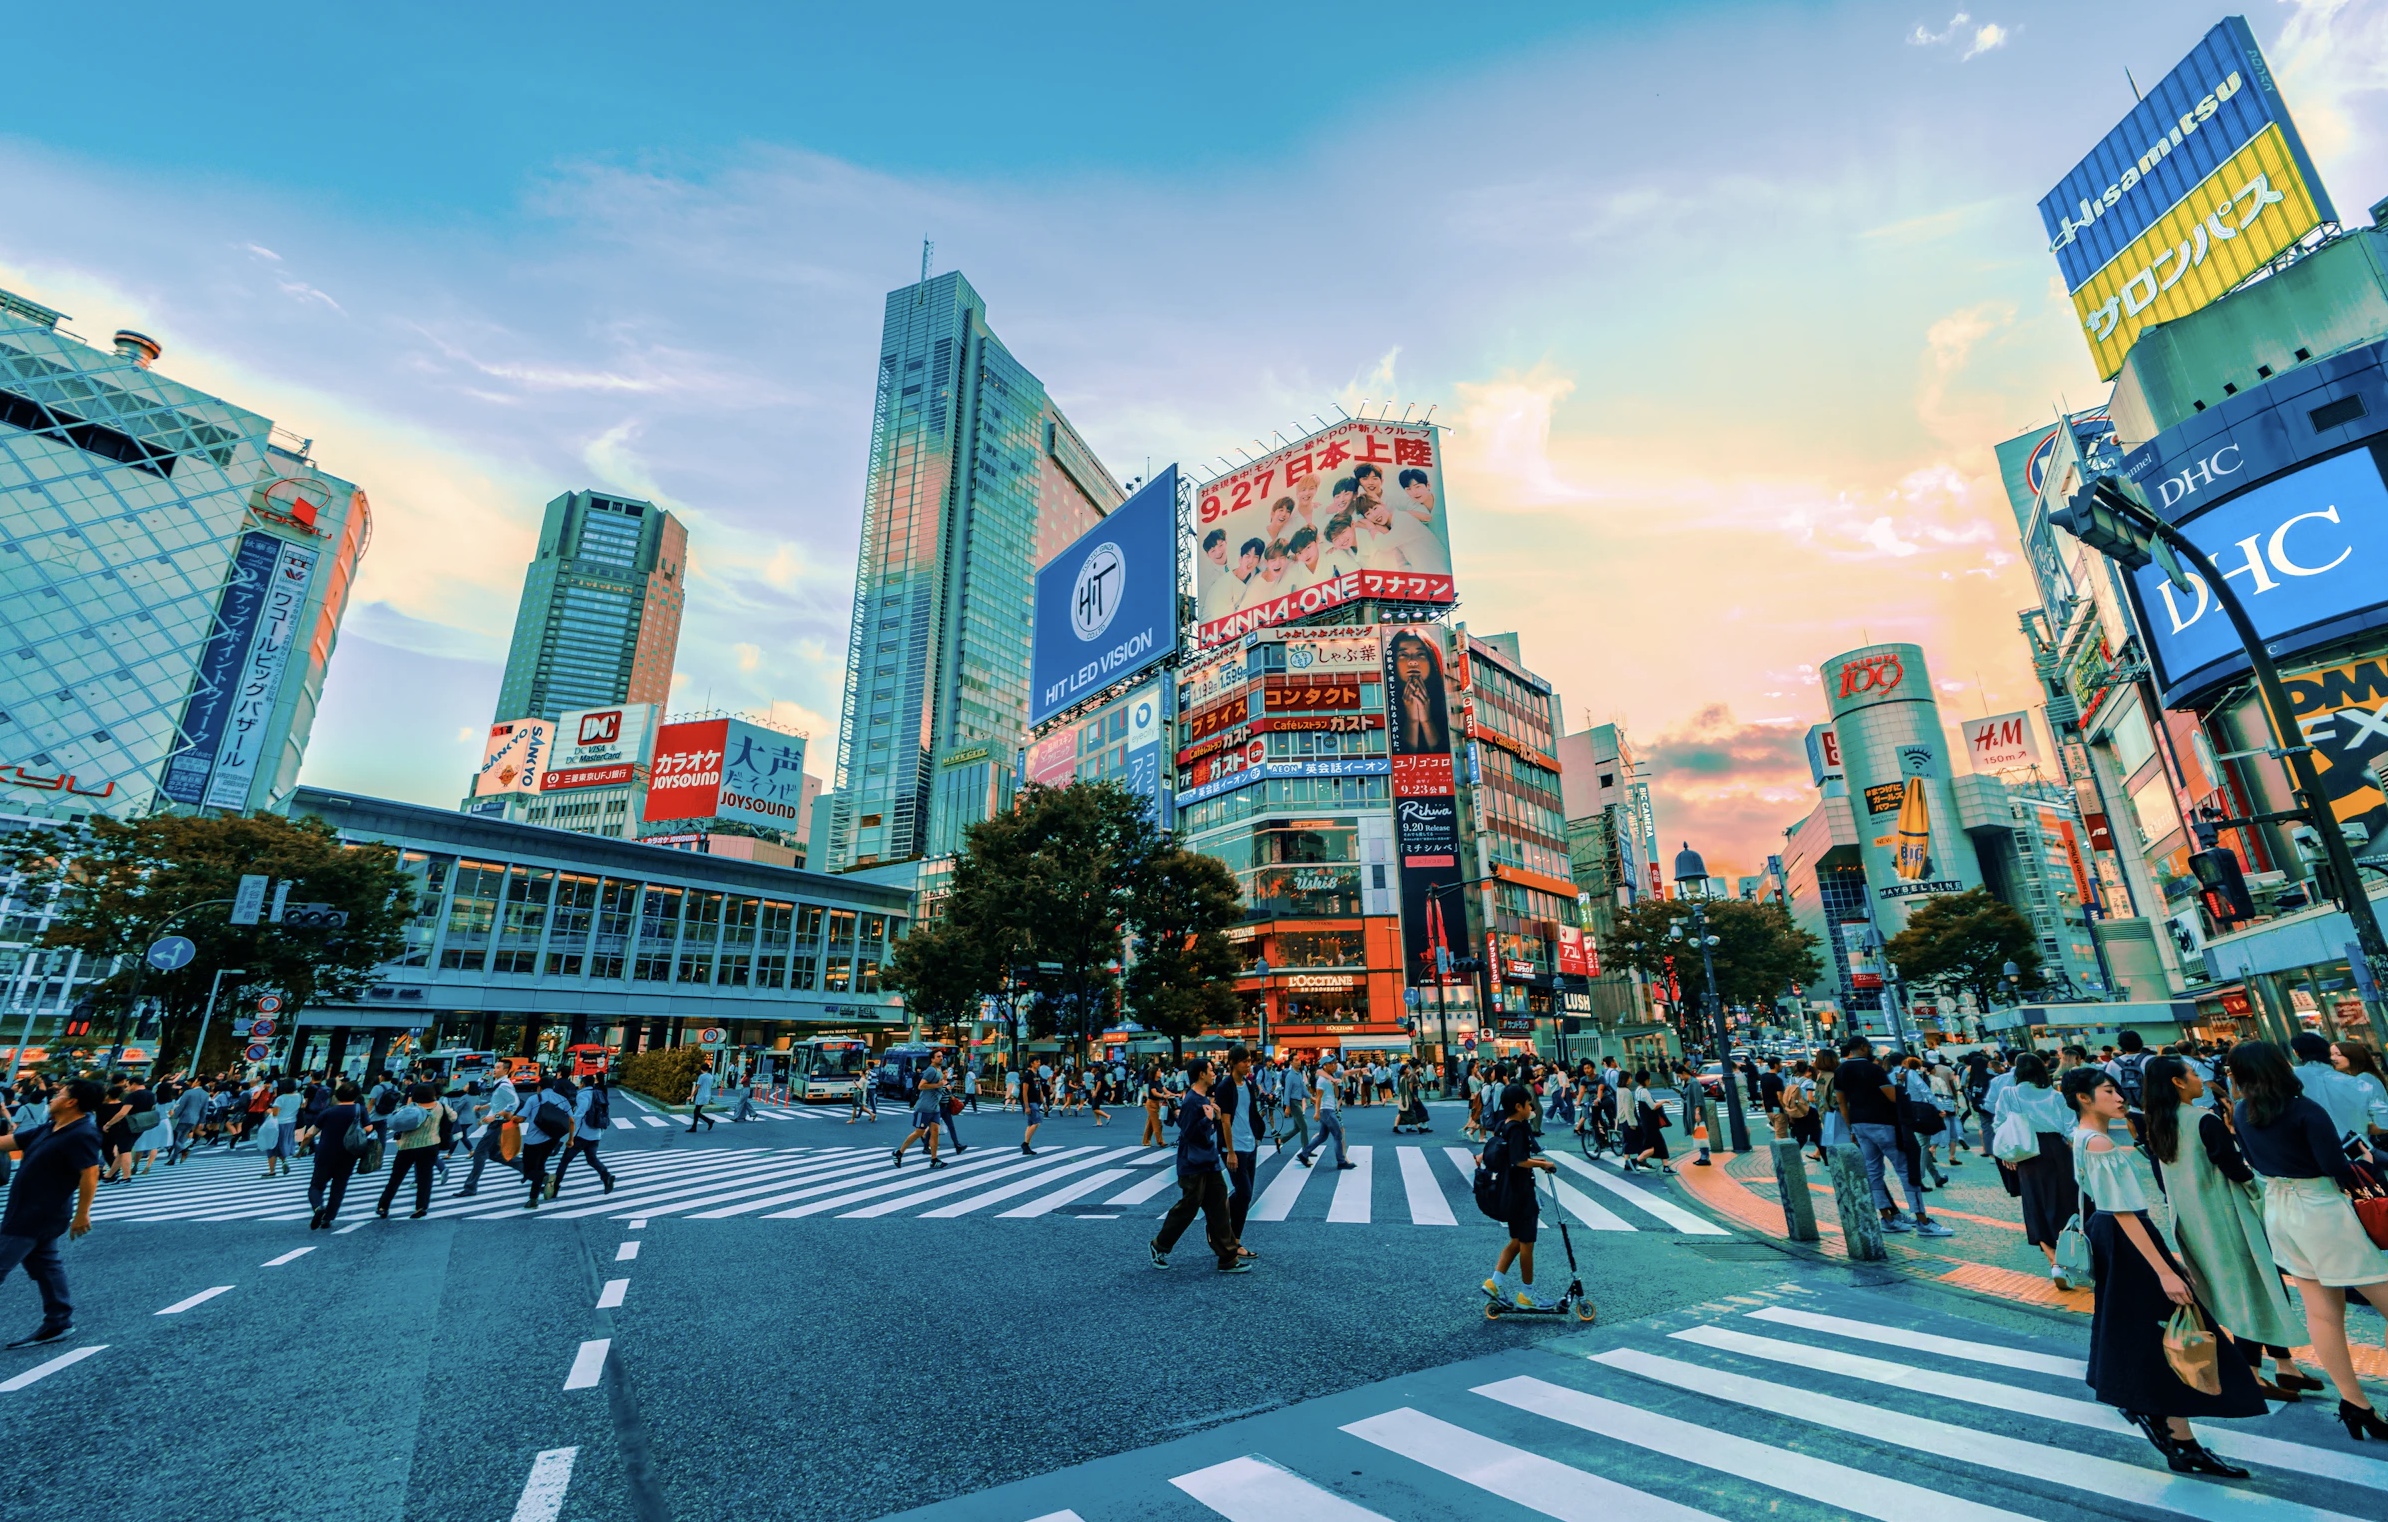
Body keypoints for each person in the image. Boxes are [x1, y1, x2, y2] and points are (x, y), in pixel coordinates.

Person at [2062, 1066, 2264, 1474]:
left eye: (2118, 1090)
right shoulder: (2099, 1143)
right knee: (2172, 1328)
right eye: (2108, 1091)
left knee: (2149, 1333)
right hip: (2126, 1237)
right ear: (2084, 1098)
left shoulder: (2080, 1137)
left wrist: (2165, 1260)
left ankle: (2175, 1433)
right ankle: (2170, 1427)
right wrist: (2165, 1269)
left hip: (2114, 1239)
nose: (2120, 1097)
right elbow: (2123, 1211)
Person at [2227, 1040, 2388, 1439]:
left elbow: (2250, 1159)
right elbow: (2336, 1168)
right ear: (2281, 1066)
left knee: (2322, 1313)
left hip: (2281, 1210)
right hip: (2322, 1211)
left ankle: (2355, 1403)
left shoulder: (2242, 1111)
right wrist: (2367, 1160)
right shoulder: (2304, 1110)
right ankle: (2356, 1405)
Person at [2139, 1056, 2313, 1401]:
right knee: (2253, 1289)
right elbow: (2234, 1168)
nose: (2199, 1079)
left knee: (2251, 1287)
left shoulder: (2157, 1124)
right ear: (2177, 1082)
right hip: (2229, 1217)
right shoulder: (2203, 1120)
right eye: (2191, 1074)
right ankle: (2252, 1373)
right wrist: (2260, 1185)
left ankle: (2286, 1366)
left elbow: (2163, 1181)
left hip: (2192, 1222)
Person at [0, 1077, 104, 1347]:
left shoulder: (82, 1133)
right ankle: (58, 1321)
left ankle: (59, 1320)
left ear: (72, 1102)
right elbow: (8, 1141)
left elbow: (90, 1173)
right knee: (46, 1265)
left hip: (37, 1214)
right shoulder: (52, 1127)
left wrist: (83, 1213)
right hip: (28, 1209)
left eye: (60, 1093)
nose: (52, 1097)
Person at [1836, 1037, 1951, 1237]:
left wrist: (1851, 1128)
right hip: (1884, 1124)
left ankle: (1887, 1218)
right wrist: (1899, 1089)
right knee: (1905, 1170)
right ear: (1863, 1047)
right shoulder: (1873, 1070)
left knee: (1873, 1171)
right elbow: (1892, 1097)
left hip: (1859, 1124)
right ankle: (1922, 1220)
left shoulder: (1841, 1070)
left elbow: (1841, 1102)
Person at [1148, 1057, 1245, 1273]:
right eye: (1211, 1070)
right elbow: (1189, 1132)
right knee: (1188, 1208)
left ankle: (1228, 1258)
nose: (1214, 1074)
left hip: (1208, 1162)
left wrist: (1215, 1118)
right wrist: (1209, 1119)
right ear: (1201, 1074)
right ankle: (1159, 1245)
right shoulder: (1193, 1100)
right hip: (1193, 1164)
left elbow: (1200, 1130)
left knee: (1219, 1207)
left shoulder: (1201, 1098)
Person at [1991, 1053, 2078, 1281]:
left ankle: (2054, 1261)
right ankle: (2071, 1252)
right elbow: (2071, 1127)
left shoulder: (2008, 1094)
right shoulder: (2054, 1095)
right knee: (2065, 1202)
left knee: (2035, 1204)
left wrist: (2007, 1154)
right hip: (2058, 1151)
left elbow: (1999, 1123)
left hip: (2027, 1152)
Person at [1482, 1083, 1562, 1308]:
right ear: (1518, 1106)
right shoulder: (1516, 1129)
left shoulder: (1503, 1125)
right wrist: (1543, 1164)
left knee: (1516, 1240)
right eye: (1528, 1104)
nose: (1531, 1108)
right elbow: (1519, 1160)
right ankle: (1527, 1294)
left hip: (1510, 1190)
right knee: (1527, 1243)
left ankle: (1494, 1282)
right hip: (1521, 1193)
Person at [376, 1082, 449, 1220]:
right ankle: (421, 1207)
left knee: (396, 1177)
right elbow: (453, 1117)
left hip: (407, 1146)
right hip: (430, 1145)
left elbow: (398, 1123)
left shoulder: (411, 1108)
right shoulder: (440, 1106)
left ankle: (383, 1206)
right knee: (425, 1178)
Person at [303, 1080, 367, 1230]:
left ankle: (318, 1207)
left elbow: (310, 1134)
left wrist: (301, 1150)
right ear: (357, 1095)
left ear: (337, 1095)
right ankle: (328, 1218)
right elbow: (369, 1128)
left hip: (325, 1153)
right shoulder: (360, 1110)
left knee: (316, 1186)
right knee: (339, 1187)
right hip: (348, 1154)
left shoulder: (328, 1112)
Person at [1216, 1045, 1259, 1256]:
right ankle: (1226, 1232)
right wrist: (1230, 1151)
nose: (1248, 1064)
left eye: (1249, 1060)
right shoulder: (1225, 1086)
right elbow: (1225, 1121)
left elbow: (1250, 1112)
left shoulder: (1248, 1085)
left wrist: (1257, 1136)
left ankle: (1232, 1237)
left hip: (1250, 1144)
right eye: (1244, 1060)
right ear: (1233, 1062)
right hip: (1234, 1147)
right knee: (1244, 1192)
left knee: (1245, 1194)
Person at [455, 1069, 521, 1197]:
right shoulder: (500, 1085)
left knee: (480, 1153)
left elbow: (514, 1103)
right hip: (495, 1124)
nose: (494, 1070)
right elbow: (497, 1102)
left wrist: (494, 1117)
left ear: (505, 1070)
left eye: (497, 1068)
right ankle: (536, 1174)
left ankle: (470, 1187)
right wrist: (483, 1108)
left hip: (497, 1124)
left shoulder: (504, 1086)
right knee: (497, 1155)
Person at [551, 1074, 618, 1198]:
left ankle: (555, 1188)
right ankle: (606, 1176)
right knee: (592, 1159)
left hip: (582, 1135)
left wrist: (571, 1135)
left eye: (580, 1082)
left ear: (583, 1084)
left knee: (564, 1161)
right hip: (595, 1133)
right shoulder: (599, 1094)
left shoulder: (583, 1095)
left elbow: (579, 1115)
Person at [515, 1077, 574, 1210]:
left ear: (539, 1087)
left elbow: (520, 1118)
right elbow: (571, 1120)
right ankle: (533, 1200)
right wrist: (570, 1139)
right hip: (552, 1139)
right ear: (552, 1087)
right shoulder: (563, 1099)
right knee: (540, 1165)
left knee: (529, 1170)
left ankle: (545, 1178)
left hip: (533, 1141)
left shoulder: (534, 1099)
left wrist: (509, 1118)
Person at [892, 1055, 948, 1170]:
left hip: (935, 1108)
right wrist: (938, 1085)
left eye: (941, 1056)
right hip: (924, 1107)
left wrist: (944, 1088)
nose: (941, 1058)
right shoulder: (930, 1070)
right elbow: (921, 1086)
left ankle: (934, 1159)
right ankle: (899, 1152)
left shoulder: (939, 1070)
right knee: (919, 1132)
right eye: (938, 1056)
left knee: (935, 1132)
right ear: (932, 1059)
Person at [1297, 1056, 1353, 1170]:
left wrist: (1336, 1085)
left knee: (1322, 1136)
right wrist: (1316, 1112)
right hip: (1326, 1110)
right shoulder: (1322, 1080)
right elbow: (1318, 1097)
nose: (1334, 1065)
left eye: (1334, 1063)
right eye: (1331, 1064)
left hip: (1328, 1109)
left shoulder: (1329, 1078)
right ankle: (1341, 1161)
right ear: (1325, 1066)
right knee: (1338, 1135)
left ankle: (1304, 1154)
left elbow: (1336, 1094)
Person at [1277, 1059, 1312, 1153]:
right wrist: (1287, 1106)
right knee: (1304, 1126)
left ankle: (1281, 1139)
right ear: (1291, 1063)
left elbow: (1303, 1089)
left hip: (1298, 1101)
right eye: (1295, 1060)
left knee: (1297, 1128)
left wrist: (1311, 1097)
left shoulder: (1299, 1074)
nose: (1298, 1062)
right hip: (1293, 1103)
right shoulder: (1290, 1076)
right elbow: (1287, 1092)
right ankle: (1306, 1150)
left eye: (1299, 1060)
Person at [1020, 1061, 1046, 1157]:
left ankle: (1026, 1145)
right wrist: (1026, 1106)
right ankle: (1025, 1144)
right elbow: (1024, 1091)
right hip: (1030, 1102)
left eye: (1039, 1062)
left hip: (1036, 1101)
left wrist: (1044, 1102)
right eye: (1037, 1062)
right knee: (1037, 1122)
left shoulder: (1037, 1075)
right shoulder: (1028, 1076)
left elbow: (1039, 1089)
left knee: (1031, 1123)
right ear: (1031, 1063)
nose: (1039, 1063)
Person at [687, 1062, 718, 1133]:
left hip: (701, 1095)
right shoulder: (710, 1076)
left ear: (701, 1069)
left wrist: (691, 1096)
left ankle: (709, 1121)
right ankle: (694, 1127)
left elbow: (697, 1087)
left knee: (696, 1111)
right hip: (707, 1095)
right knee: (697, 1111)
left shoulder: (702, 1076)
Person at [1140, 1066, 1166, 1147]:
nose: (1160, 1072)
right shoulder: (1151, 1082)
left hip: (1157, 1103)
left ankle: (1146, 1141)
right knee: (1157, 1123)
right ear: (1155, 1073)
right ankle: (1160, 1141)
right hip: (1151, 1104)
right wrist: (1163, 1096)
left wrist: (1174, 1094)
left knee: (1151, 1123)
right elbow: (1154, 1093)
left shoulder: (1159, 1081)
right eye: (1158, 1071)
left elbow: (1165, 1090)